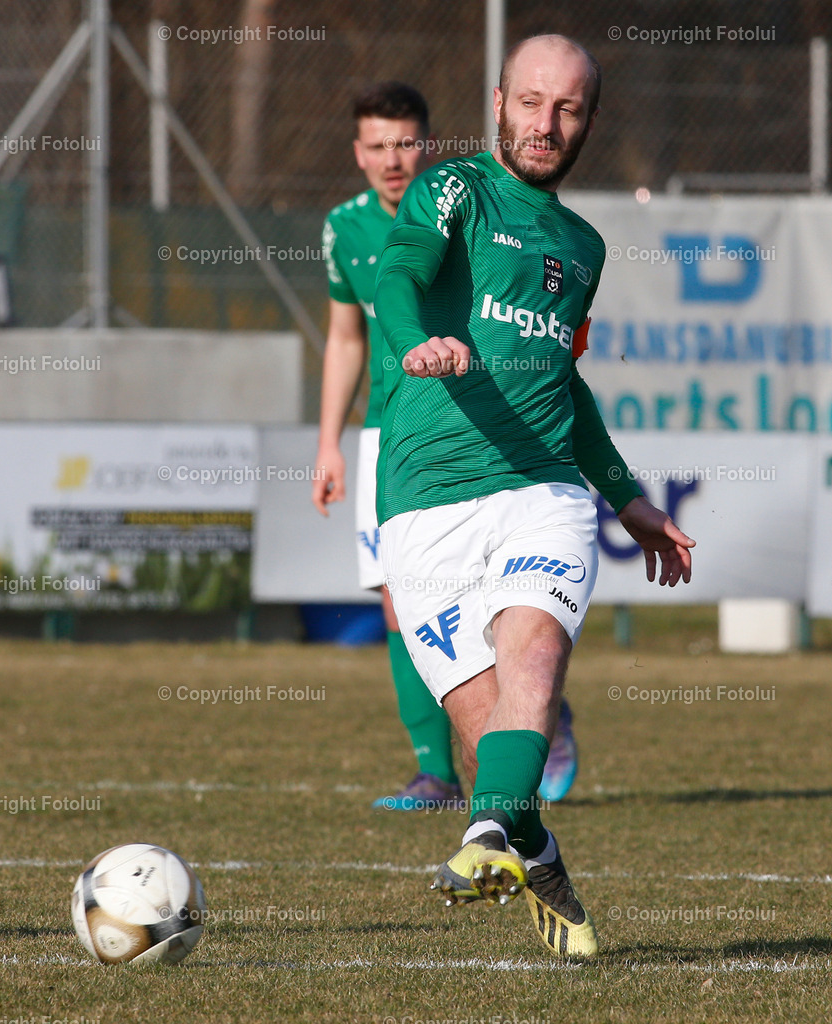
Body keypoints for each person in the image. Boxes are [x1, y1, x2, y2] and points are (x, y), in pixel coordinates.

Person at [373, 35, 695, 957]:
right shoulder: (454, 191)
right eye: (530, 103)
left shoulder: (581, 247)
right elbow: (398, 274)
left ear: (588, 120)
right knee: (489, 746)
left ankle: (483, 841)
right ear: (498, 101)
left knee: (535, 658)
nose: (545, 124)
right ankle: (530, 847)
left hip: (542, 488)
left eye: (566, 109)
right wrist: (412, 342)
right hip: (422, 501)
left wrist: (626, 498)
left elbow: (565, 382)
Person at [312, 83, 462, 809]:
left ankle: (539, 710)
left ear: (426, 144)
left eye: (404, 142)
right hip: (386, 434)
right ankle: (434, 771)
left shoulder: (462, 211)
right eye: (376, 145)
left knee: (488, 597)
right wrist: (328, 444)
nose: (391, 159)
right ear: (357, 152)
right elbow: (345, 337)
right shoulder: (344, 228)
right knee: (397, 600)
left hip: (468, 426)